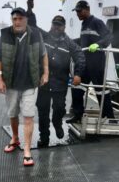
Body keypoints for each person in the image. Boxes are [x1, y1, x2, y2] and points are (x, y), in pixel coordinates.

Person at [0, 7, 48, 166]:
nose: (17, 22)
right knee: (12, 113)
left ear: (26, 19)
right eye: (14, 19)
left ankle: (27, 150)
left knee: (29, 116)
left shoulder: (36, 34)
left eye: (20, 19)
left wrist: (45, 74)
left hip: (31, 82)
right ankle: (15, 138)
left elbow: (43, 55)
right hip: (11, 83)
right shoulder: (5, 35)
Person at [36, 15, 85, 147]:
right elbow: (32, 24)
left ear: (64, 27)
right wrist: (30, 10)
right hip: (44, 81)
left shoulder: (69, 43)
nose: (56, 27)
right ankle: (44, 137)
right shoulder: (44, 36)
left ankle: (57, 124)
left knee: (59, 109)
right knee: (42, 111)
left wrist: (78, 74)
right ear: (51, 25)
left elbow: (80, 56)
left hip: (60, 83)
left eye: (59, 25)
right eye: (54, 24)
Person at [66, 0, 114, 124]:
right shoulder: (84, 24)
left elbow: (108, 37)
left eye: (79, 11)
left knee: (100, 89)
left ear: (87, 9)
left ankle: (108, 117)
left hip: (96, 62)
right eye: (76, 12)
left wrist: (97, 45)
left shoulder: (97, 22)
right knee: (77, 87)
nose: (77, 14)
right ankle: (78, 115)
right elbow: (83, 41)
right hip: (84, 62)